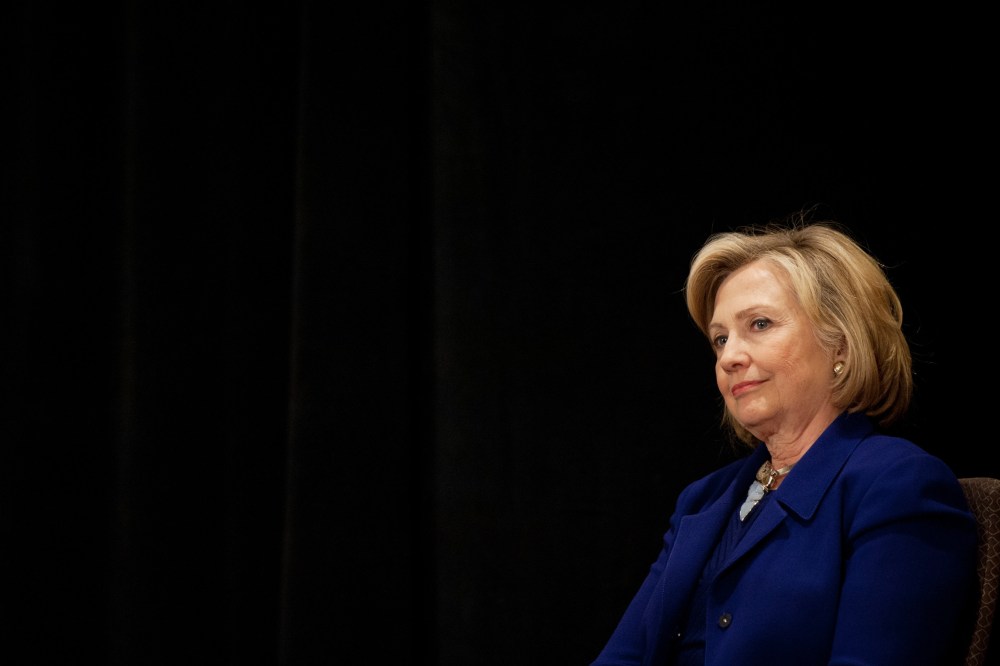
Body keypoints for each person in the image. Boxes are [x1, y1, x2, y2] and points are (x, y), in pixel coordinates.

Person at [591, 215, 979, 665]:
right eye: (720, 339)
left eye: (759, 324)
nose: (729, 357)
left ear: (840, 344)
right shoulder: (701, 500)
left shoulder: (897, 486)